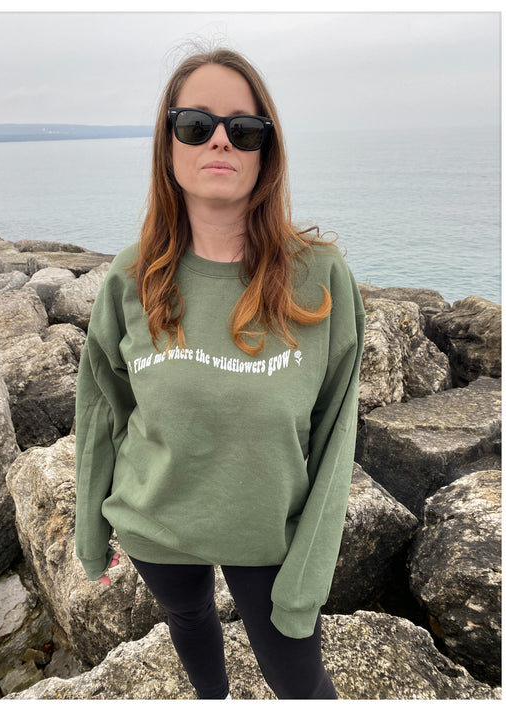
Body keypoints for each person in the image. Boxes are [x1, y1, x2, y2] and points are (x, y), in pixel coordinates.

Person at [75, 47, 365, 700]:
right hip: (157, 525)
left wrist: (305, 579)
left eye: (243, 129)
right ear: (167, 145)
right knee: (188, 617)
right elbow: (101, 406)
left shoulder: (319, 279)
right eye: (194, 124)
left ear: (266, 150)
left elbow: (336, 434)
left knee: (300, 681)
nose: (219, 141)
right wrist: (90, 534)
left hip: (269, 537)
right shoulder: (128, 278)